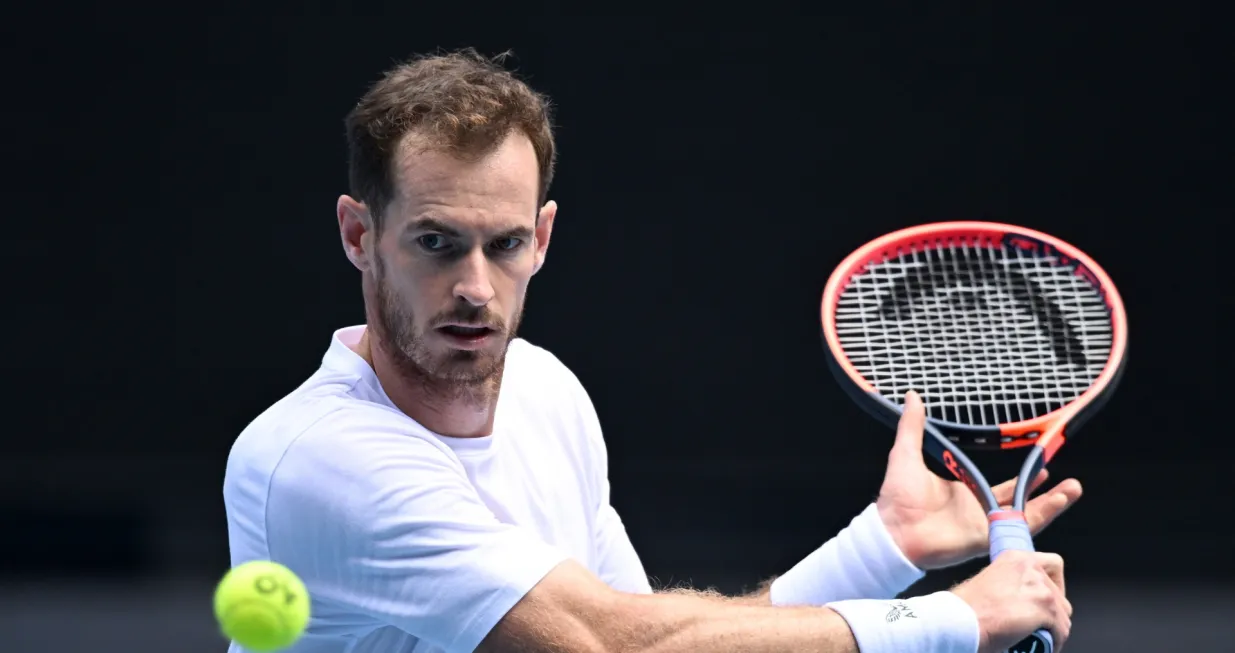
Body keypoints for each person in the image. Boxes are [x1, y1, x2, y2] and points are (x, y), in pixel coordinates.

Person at [222, 49, 1083, 653]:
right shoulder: (315, 458)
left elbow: (662, 637)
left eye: (506, 244)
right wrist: (953, 622)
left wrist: (881, 548)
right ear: (357, 234)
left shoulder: (547, 394)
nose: (478, 287)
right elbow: (613, 643)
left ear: (545, 237)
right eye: (437, 243)